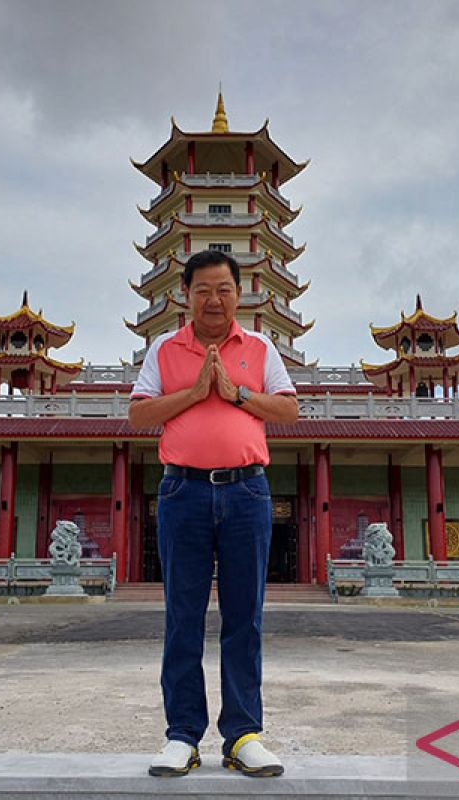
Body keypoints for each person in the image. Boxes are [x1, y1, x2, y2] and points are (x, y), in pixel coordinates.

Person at [128, 249, 298, 778]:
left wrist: (237, 393)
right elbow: (138, 414)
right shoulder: (164, 348)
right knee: (183, 618)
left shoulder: (261, 346)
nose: (214, 299)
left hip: (247, 492)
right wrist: (195, 391)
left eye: (224, 288)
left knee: (243, 618)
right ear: (185, 295)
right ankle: (182, 735)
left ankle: (243, 733)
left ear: (239, 293)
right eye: (203, 289)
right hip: (184, 492)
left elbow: (288, 409)